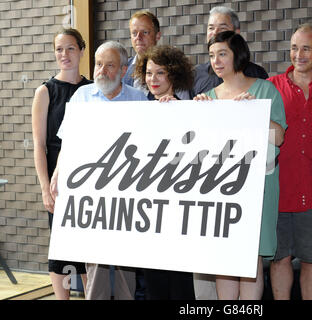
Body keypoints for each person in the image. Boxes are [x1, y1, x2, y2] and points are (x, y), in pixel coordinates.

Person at [50, 40, 147, 300]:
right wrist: (59, 171)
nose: (101, 70)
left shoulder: (139, 99)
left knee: (126, 262)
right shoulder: (81, 97)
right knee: (95, 263)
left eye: (110, 65)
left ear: (124, 70)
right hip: (93, 192)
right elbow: (67, 141)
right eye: (98, 64)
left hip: (128, 192)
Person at [193, 31, 287, 300]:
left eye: (222, 54)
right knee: (225, 258)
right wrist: (196, 115)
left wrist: (256, 110)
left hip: (257, 187)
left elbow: (279, 138)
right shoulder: (207, 96)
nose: (216, 61)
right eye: (212, 56)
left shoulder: (264, 89)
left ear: (238, 55)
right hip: (219, 190)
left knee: (249, 258)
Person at [267, 23, 312, 300]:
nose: (299, 54)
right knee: (279, 259)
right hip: (277, 191)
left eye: (306, 48)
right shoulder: (271, 87)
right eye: (294, 48)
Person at [31, 28, 91, 300]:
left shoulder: (92, 90)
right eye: (59, 49)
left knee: (89, 247)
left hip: (89, 178)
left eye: (70, 48)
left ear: (81, 50)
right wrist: (45, 188)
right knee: (61, 247)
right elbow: (39, 146)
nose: (64, 54)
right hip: (58, 184)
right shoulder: (45, 92)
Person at [133, 44, 195, 299]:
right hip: (150, 212)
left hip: (179, 213)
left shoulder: (190, 109)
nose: (153, 79)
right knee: (153, 282)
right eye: (149, 73)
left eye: (160, 73)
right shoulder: (140, 112)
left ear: (174, 75)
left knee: (180, 284)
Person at [192, 6, 269, 97]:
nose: (215, 33)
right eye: (211, 28)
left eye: (222, 28)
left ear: (236, 33)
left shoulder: (257, 74)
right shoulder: (195, 75)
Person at [122, 9, 161, 93]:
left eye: (145, 32)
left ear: (157, 36)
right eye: (134, 33)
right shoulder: (122, 69)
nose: (138, 37)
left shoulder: (170, 68)